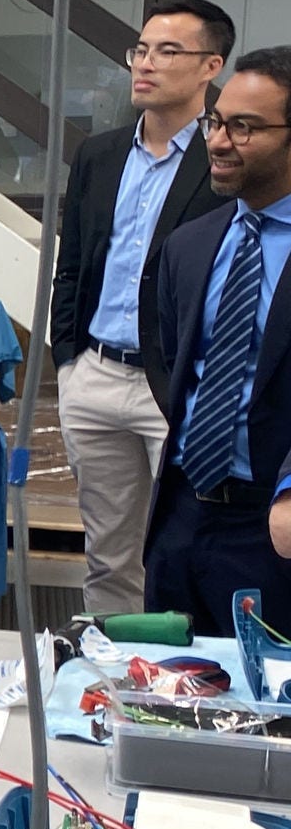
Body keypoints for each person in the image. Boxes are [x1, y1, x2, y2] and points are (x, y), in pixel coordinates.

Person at [51, 0, 236, 616]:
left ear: (211, 65)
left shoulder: (224, 160)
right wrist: (67, 359)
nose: (145, 64)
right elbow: (72, 261)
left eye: (168, 51)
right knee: (109, 550)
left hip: (178, 385)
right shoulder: (99, 155)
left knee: (184, 544)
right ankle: (107, 677)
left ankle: (181, 681)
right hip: (97, 376)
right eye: (141, 49)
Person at [145, 47, 291, 637]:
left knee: (266, 716)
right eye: (215, 121)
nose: (219, 140)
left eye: (244, 127)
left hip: (272, 524)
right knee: (165, 691)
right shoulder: (189, 245)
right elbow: (169, 359)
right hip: (182, 515)